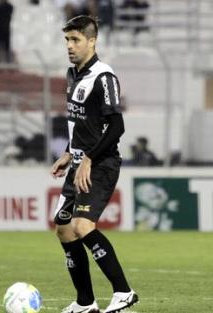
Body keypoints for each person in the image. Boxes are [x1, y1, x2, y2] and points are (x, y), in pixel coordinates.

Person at [51, 16, 138, 313]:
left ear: (92, 41)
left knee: (83, 225)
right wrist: (68, 152)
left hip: (100, 164)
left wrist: (88, 157)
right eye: (67, 40)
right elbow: (80, 123)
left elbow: (117, 126)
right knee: (63, 227)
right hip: (77, 162)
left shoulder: (104, 77)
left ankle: (123, 292)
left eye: (75, 40)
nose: (70, 46)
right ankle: (85, 302)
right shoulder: (72, 73)